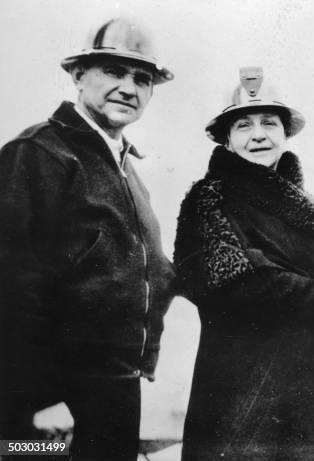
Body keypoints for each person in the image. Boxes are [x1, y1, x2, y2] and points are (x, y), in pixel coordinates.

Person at [0, 18, 175, 461]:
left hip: (115, 389)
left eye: (142, 79)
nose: (129, 88)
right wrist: (35, 397)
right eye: (114, 72)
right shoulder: (39, 152)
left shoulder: (128, 172)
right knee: (25, 457)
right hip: (51, 403)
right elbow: (13, 289)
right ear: (78, 75)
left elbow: (152, 275)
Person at [174, 67, 314, 461]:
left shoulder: (309, 207)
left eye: (269, 123)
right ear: (226, 139)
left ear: (285, 133)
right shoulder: (207, 200)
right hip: (244, 395)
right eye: (243, 125)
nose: (258, 134)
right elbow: (236, 285)